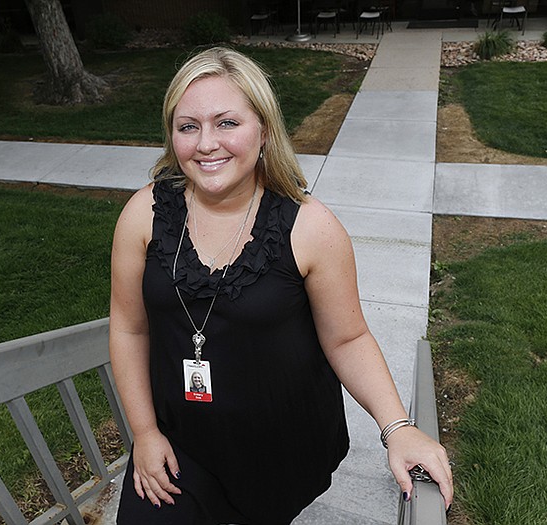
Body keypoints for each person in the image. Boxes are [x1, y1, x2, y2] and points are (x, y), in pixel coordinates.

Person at [109, 46, 452, 525]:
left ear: (264, 130)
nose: (206, 143)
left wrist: (397, 428)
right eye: (188, 126)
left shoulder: (311, 227)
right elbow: (128, 329)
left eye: (227, 122)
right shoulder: (143, 215)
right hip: (180, 444)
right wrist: (143, 433)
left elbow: (347, 337)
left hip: (281, 446)